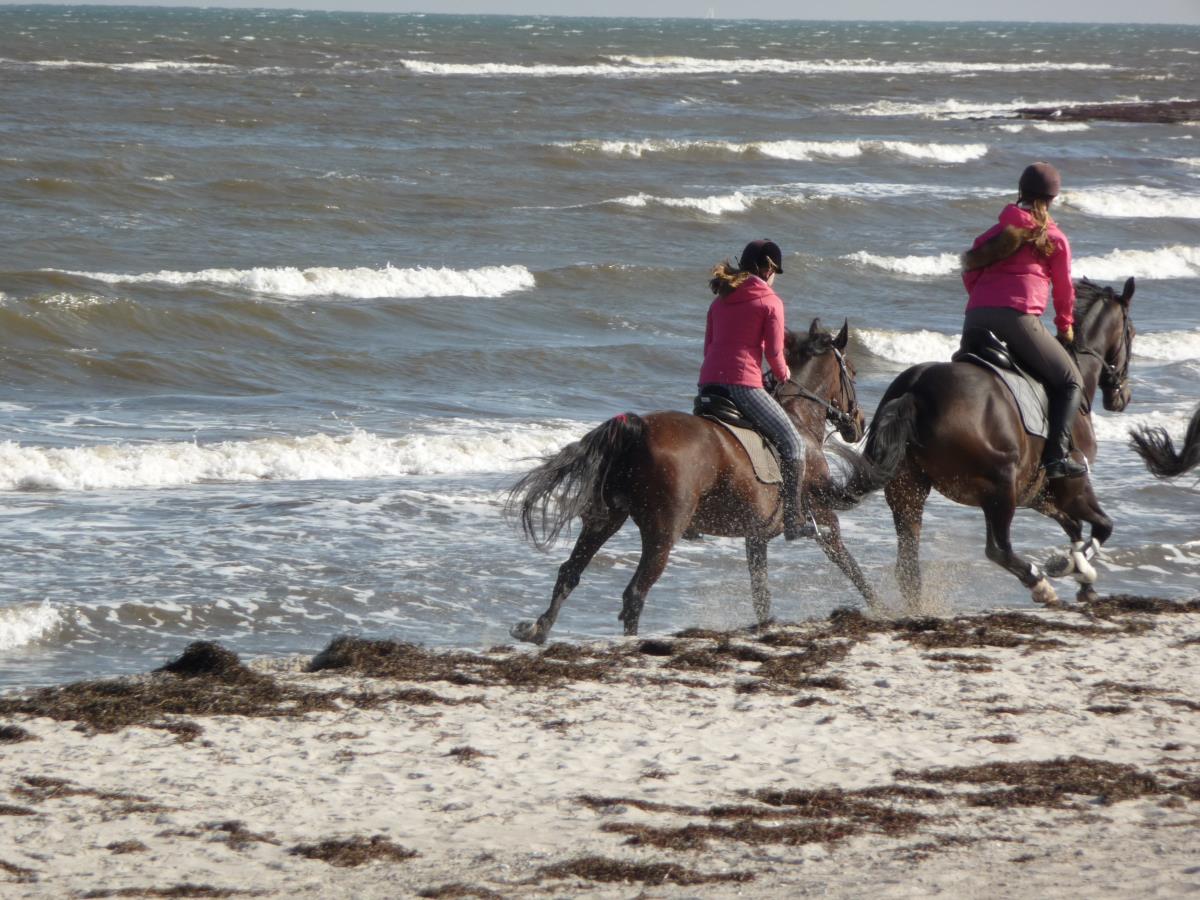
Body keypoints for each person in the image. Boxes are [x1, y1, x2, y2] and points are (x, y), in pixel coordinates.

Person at [961, 162, 1088, 479]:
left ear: (1020, 193)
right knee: (1071, 381)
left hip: (975, 317)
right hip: (1017, 319)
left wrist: (985, 298)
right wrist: (1064, 327)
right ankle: (1055, 460)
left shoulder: (993, 234)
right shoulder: (1055, 239)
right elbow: (1063, 290)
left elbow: (970, 272)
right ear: (1053, 199)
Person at [699, 239, 811, 539]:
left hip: (708, 383)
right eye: (775, 272)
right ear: (768, 269)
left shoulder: (719, 300)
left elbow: (708, 347)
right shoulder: (770, 302)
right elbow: (775, 354)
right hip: (742, 386)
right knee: (794, 445)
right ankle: (793, 519)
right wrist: (783, 373)